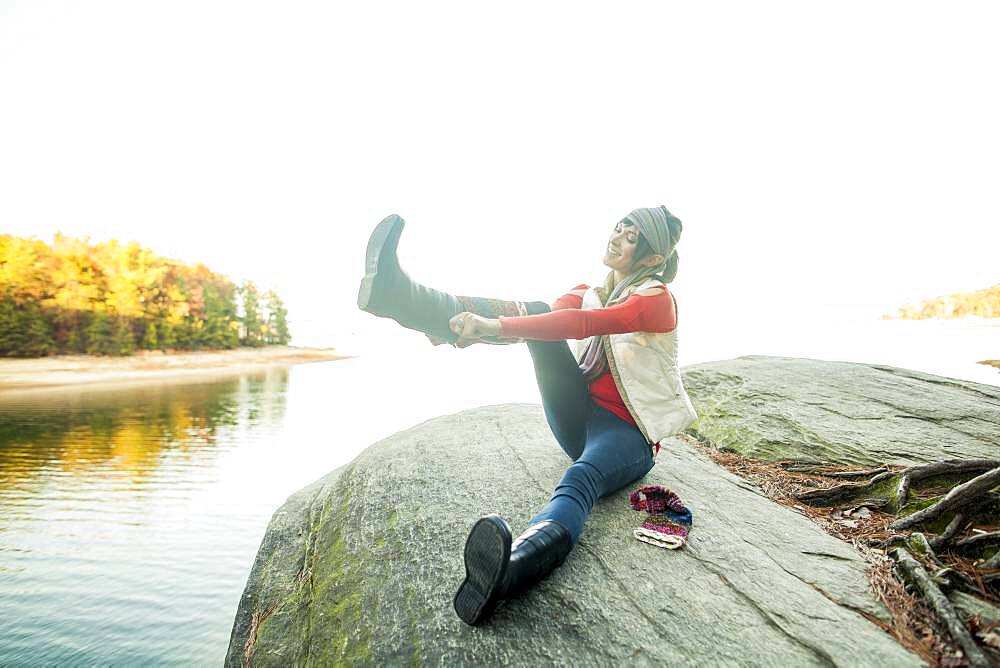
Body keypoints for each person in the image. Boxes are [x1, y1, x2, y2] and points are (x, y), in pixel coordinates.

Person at [356, 206, 697, 626]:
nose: (617, 236)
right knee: (534, 308)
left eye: (631, 237)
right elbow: (537, 321)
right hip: (577, 418)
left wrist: (489, 328)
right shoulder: (590, 289)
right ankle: (402, 297)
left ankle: (513, 567)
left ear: (652, 259)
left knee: (580, 478)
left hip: (628, 434)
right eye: (619, 227)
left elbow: (581, 324)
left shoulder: (654, 298)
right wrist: (469, 333)